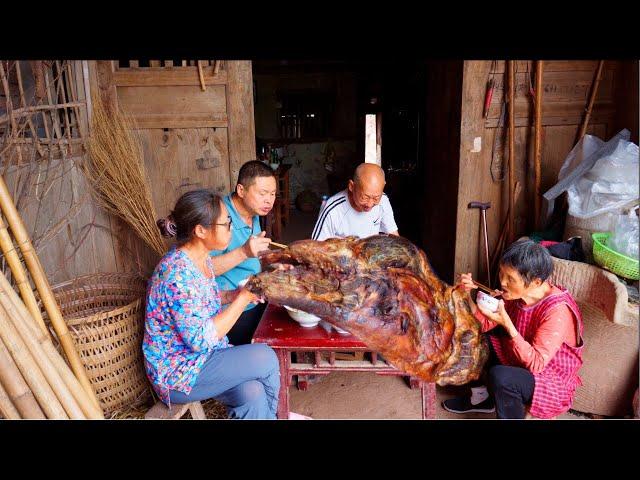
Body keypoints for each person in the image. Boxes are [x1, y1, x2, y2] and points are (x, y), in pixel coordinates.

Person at [142, 189, 280, 419]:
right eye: (225, 223)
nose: (231, 227)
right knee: (266, 357)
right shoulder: (176, 275)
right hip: (178, 372)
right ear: (200, 231)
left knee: (251, 393)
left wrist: (234, 295)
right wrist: (244, 297)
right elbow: (201, 339)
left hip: (203, 358)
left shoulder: (198, 257)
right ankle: (277, 416)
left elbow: (205, 300)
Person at [442, 239, 584, 419]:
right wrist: (466, 295)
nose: (502, 282)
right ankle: (481, 398)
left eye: (510, 278)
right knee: (472, 338)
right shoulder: (515, 294)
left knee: (501, 377)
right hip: (520, 360)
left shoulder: (557, 311)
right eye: (502, 274)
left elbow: (537, 364)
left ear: (535, 282)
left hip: (550, 380)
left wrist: (507, 324)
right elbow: (482, 325)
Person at [209, 160, 277, 345]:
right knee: (272, 341)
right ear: (241, 190)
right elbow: (203, 270)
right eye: (262, 193)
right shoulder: (219, 216)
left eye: (272, 194)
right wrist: (244, 252)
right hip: (227, 309)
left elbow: (254, 257)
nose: (269, 200)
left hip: (252, 298)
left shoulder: (252, 212)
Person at [311, 163, 399, 241]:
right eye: (365, 197)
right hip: (340, 256)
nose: (370, 204)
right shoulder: (332, 209)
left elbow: (394, 236)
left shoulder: (383, 200)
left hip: (369, 255)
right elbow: (315, 249)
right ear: (351, 186)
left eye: (376, 198)